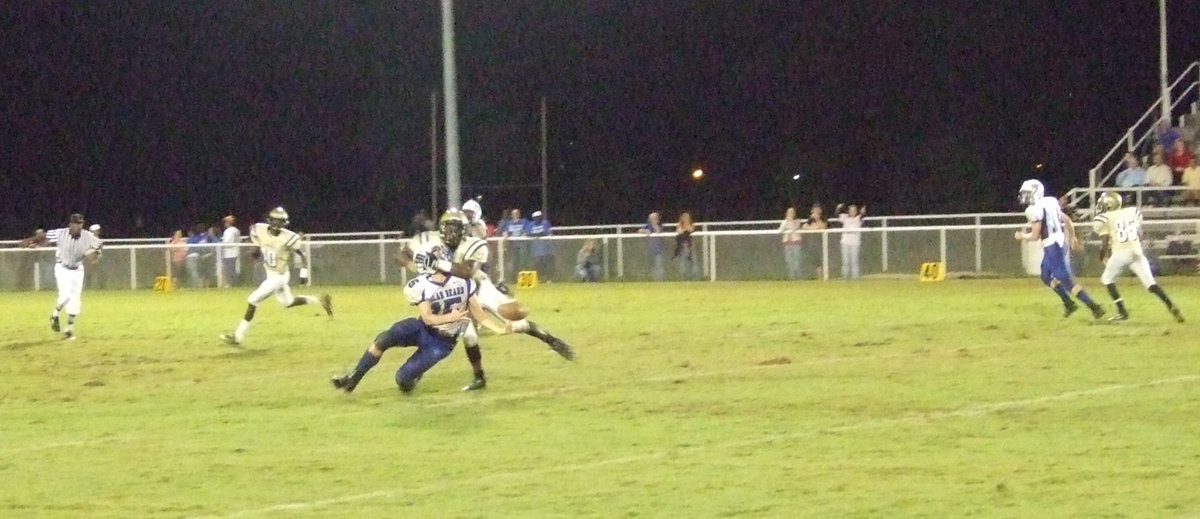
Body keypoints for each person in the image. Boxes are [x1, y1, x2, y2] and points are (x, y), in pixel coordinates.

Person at [399, 210, 575, 391]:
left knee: (515, 321)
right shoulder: (427, 240)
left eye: (456, 229)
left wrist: (436, 263)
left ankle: (552, 341)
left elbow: (466, 272)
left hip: (479, 287)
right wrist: (417, 266)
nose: (452, 233)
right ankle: (479, 377)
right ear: (442, 228)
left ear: (464, 230)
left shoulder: (474, 245)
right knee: (468, 336)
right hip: (454, 295)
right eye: (449, 228)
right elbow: (401, 255)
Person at [330, 259, 513, 395]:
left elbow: (480, 315)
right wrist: (452, 316)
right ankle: (353, 379)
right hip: (423, 328)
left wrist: (500, 329)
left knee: (402, 380)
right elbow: (427, 318)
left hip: (442, 343)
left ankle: (415, 376)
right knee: (383, 339)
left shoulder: (465, 284)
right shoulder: (425, 284)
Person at [219, 207, 332, 346]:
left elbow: (301, 254)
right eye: (276, 221)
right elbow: (255, 241)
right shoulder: (260, 229)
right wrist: (255, 249)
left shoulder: (288, 237)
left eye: (281, 222)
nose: (278, 224)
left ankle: (237, 336)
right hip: (273, 274)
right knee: (288, 302)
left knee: (252, 300)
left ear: (285, 223)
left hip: (278, 276)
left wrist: (304, 273)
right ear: (270, 221)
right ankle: (319, 300)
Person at [1014, 180, 1104, 319]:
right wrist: (1072, 236)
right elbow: (1067, 219)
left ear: (1036, 192)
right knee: (1045, 275)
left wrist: (1022, 236)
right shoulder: (1050, 202)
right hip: (1060, 243)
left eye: (1027, 194)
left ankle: (1094, 306)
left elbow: (1035, 235)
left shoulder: (1033, 210)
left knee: (1066, 280)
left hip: (1052, 246)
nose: (1025, 197)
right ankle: (1068, 303)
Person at [1091, 192, 1184, 322]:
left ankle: (1122, 312)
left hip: (1121, 252)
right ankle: (1170, 305)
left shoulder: (1105, 218)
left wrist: (1101, 257)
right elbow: (1140, 234)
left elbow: (1104, 243)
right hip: (1136, 251)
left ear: (1109, 205)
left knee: (1106, 279)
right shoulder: (1132, 212)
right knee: (1150, 283)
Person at [47, 213, 102, 340]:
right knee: (66, 295)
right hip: (62, 268)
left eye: (81, 224)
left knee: (75, 301)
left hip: (77, 270)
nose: (79, 226)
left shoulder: (87, 236)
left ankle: (69, 330)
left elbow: (98, 246)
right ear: (71, 225)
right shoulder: (61, 233)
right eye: (77, 224)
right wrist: (31, 241)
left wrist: (95, 255)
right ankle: (55, 315)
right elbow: (44, 236)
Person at [834, 203, 866, 279]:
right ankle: (845, 277)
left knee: (854, 261)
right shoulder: (845, 217)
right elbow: (836, 215)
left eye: (854, 210)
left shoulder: (858, 219)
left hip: (855, 243)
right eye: (851, 210)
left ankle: (855, 278)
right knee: (845, 261)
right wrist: (838, 208)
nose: (852, 212)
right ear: (848, 211)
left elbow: (862, 216)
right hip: (845, 242)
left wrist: (863, 212)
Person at [801, 204, 828, 279]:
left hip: (822, 243)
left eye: (817, 209)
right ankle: (816, 277)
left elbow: (823, 227)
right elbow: (804, 227)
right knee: (814, 261)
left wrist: (817, 220)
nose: (816, 211)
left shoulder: (823, 218)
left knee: (821, 261)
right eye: (814, 209)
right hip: (812, 243)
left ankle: (823, 277)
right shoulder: (810, 219)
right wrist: (813, 228)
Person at [638, 211, 667, 281]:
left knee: (659, 266)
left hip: (659, 251)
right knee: (651, 266)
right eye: (650, 218)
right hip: (649, 250)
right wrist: (645, 231)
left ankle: (660, 280)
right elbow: (639, 230)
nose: (651, 219)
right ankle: (652, 279)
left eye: (653, 218)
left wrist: (654, 224)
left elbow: (659, 231)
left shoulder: (660, 225)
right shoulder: (648, 225)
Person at [502, 209, 529, 279]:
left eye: (517, 213)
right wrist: (505, 237)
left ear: (519, 214)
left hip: (522, 245)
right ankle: (515, 278)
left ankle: (523, 278)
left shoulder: (524, 222)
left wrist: (523, 235)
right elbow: (505, 231)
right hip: (513, 246)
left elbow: (527, 231)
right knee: (514, 262)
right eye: (513, 214)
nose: (515, 215)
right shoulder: (509, 223)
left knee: (523, 261)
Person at [527, 210, 554, 282]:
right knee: (538, 264)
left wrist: (536, 235)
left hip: (546, 248)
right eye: (535, 218)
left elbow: (545, 232)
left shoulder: (545, 223)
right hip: (536, 249)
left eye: (538, 217)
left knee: (546, 264)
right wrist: (538, 234)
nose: (537, 219)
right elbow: (528, 233)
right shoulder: (531, 224)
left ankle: (549, 278)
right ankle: (540, 278)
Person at [778, 207, 804, 280]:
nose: (790, 214)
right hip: (787, 243)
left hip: (796, 243)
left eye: (792, 212)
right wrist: (786, 221)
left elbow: (794, 229)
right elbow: (780, 230)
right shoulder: (784, 222)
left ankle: (799, 278)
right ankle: (791, 278)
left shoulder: (797, 221)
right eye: (789, 212)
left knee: (797, 261)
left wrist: (791, 221)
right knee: (789, 261)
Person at [674, 211, 699, 280]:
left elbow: (691, 230)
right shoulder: (679, 225)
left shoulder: (692, 224)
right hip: (682, 247)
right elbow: (679, 232)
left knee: (693, 262)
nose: (685, 219)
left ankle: (694, 278)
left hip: (690, 247)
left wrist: (686, 228)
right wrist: (684, 230)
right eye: (684, 217)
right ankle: (684, 278)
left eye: (687, 218)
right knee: (683, 263)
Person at [219, 215, 241, 288]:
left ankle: (231, 284)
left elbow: (227, 242)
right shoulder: (236, 230)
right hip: (235, 252)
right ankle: (233, 283)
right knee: (232, 269)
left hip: (229, 253)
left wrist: (221, 244)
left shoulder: (229, 231)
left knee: (229, 269)